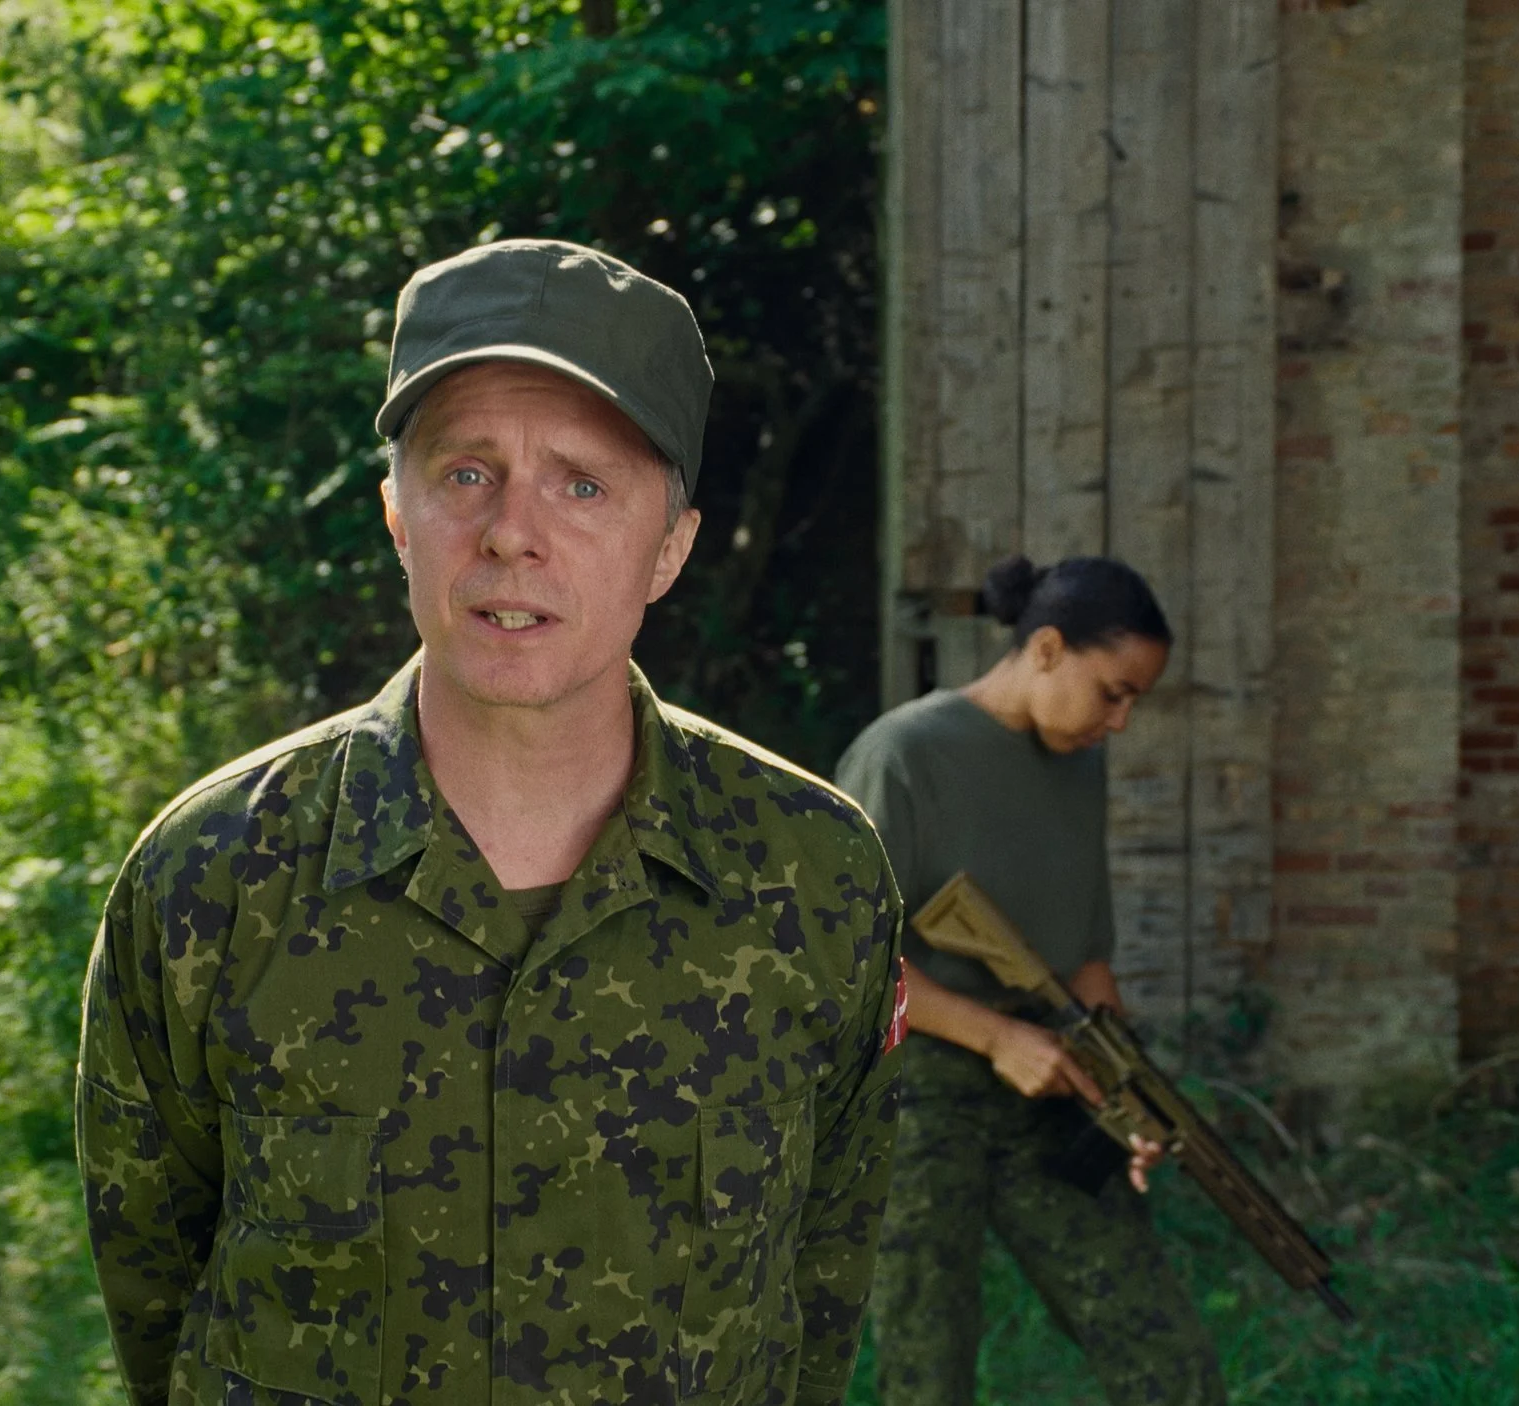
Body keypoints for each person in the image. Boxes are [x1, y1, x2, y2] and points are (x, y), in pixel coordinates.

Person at [75, 239, 905, 1406]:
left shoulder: (812, 875)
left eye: (581, 483)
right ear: (396, 514)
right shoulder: (210, 876)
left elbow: (819, 1288)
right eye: (466, 472)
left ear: (668, 545)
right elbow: (154, 1292)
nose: (513, 531)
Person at [835, 554, 1223, 1406]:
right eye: (1112, 691)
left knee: (1167, 1357)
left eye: (1135, 701)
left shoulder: (1078, 765)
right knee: (925, 1372)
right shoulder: (904, 754)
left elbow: (1084, 956)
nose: (1119, 722)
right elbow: (842, 962)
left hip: (1050, 1081)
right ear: (1046, 648)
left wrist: (1134, 1093)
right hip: (914, 1094)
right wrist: (996, 1038)